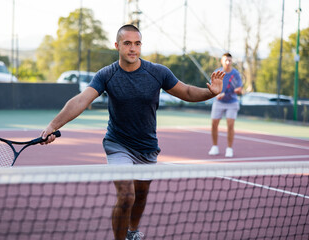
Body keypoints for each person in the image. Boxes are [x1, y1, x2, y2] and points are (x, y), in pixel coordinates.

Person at [40, 24, 224, 240]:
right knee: (127, 196)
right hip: (117, 144)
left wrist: (210, 93)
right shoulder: (106, 75)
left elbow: (186, 91)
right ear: (117, 46)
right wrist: (53, 125)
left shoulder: (158, 72)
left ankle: (132, 231)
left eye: (137, 44)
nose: (133, 48)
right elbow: (81, 100)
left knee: (141, 195)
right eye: (127, 43)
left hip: (147, 147)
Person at [208, 53, 243, 158]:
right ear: (222, 61)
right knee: (214, 124)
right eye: (226, 60)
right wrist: (217, 94)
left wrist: (238, 90)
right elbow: (213, 88)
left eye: (230, 60)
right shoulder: (217, 73)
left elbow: (239, 89)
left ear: (232, 61)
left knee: (230, 124)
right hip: (218, 102)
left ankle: (229, 149)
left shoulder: (235, 74)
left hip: (232, 102)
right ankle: (214, 147)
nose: (228, 62)